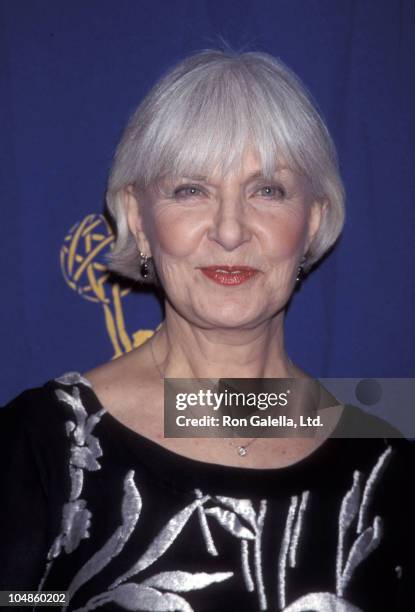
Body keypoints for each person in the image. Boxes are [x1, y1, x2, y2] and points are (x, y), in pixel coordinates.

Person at [0, 49, 413, 611]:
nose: (229, 230)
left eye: (267, 190)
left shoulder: (387, 462)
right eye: (189, 190)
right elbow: (20, 601)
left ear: (312, 222)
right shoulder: (42, 447)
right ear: (139, 220)